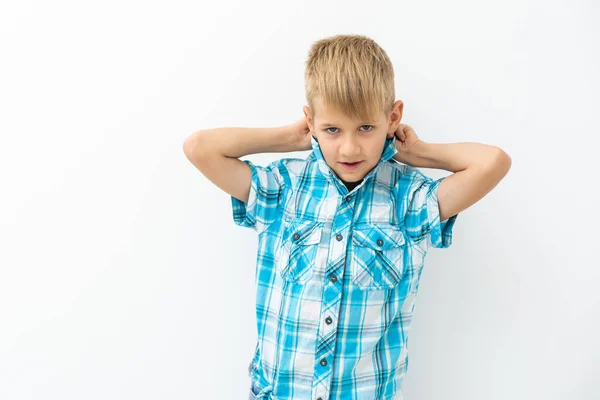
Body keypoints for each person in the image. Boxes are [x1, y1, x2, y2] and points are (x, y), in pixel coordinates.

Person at [183, 34, 511, 400]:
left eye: (366, 128)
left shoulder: (409, 199)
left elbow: (492, 162)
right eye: (332, 130)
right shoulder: (284, 187)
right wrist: (290, 138)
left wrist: (418, 152)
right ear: (311, 122)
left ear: (393, 117)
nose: (350, 147)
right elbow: (199, 148)